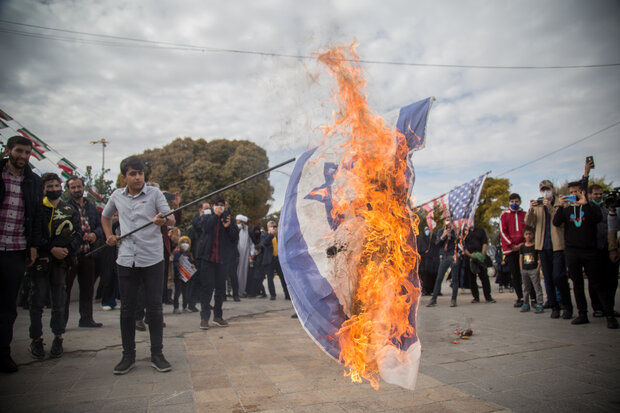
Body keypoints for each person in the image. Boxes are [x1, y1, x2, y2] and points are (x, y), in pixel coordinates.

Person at [102, 156, 175, 374]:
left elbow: (170, 219)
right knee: (127, 309)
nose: (138, 177)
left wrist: (164, 220)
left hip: (152, 259)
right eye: (133, 174)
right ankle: (128, 355)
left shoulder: (154, 194)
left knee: (154, 308)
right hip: (126, 259)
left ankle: (157, 354)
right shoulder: (116, 196)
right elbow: (105, 218)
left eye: (140, 173)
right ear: (124, 176)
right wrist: (109, 236)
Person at [0, 135, 43, 373]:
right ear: (8, 150)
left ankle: (3, 353)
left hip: (16, 249)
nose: (23, 157)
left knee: (8, 306)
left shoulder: (33, 182)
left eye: (27, 153)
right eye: (19, 151)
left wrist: (33, 245)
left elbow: (36, 217)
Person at [28, 173, 82, 360]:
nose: (53, 189)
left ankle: (58, 337)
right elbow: (33, 233)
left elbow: (77, 234)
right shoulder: (37, 207)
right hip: (40, 262)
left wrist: (67, 249)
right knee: (37, 300)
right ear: (43, 188)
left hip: (61, 263)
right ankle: (36, 339)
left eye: (55, 185)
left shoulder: (69, 209)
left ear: (61, 187)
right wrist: (51, 248)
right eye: (49, 186)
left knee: (60, 301)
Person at [553, 181, 617, 328]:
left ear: (582, 192)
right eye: (571, 192)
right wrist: (560, 206)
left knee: (598, 283)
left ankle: (609, 315)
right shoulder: (567, 209)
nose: (573, 194)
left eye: (576, 191)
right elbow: (556, 222)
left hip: (590, 250)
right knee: (577, 284)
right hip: (572, 251)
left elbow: (598, 218)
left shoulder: (591, 207)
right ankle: (582, 314)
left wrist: (586, 203)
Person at [525, 180, 572, 319]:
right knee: (548, 279)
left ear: (552, 189)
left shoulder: (560, 203)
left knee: (559, 276)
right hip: (543, 246)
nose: (546, 192)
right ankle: (554, 306)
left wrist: (550, 207)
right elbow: (529, 223)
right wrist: (531, 209)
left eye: (548, 189)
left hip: (557, 245)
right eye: (543, 189)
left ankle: (566, 305)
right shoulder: (538, 206)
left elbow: (560, 220)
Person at [192, 196, 239, 329]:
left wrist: (228, 226)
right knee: (207, 288)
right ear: (213, 206)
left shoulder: (229, 219)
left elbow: (235, 237)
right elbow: (205, 228)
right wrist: (215, 216)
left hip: (223, 260)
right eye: (217, 205)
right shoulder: (208, 217)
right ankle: (204, 317)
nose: (220, 207)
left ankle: (218, 316)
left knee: (220, 289)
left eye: (222, 205)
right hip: (208, 258)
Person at [65, 175, 103, 328]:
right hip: (71, 254)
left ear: (83, 188)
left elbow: (101, 226)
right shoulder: (65, 207)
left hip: (88, 253)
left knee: (87, 288)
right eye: (73, 187)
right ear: (68, 189)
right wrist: (80, 234)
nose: (76, 190)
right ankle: (61, 322)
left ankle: (86, 319)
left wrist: (95, 234)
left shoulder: (91, 207)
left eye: (78, 186)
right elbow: (63, 230)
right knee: (65, 289)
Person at [588, 184, 619, 318]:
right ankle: (597, 308)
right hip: (594, 249)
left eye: (600, 194)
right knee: (595, 281)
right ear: (590, 195)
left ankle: (609, 308)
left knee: (611, 280)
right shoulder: (588, 209)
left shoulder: (609, 208)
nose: (598, 196)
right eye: (595, 194)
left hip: (608, 248)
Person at [499, 193, 526, 307]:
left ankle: (533, 297)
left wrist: (523, 244)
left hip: (524, 248)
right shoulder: (504, 215)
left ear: (519, 202)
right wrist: (511, 244)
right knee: (515, 275)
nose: (514, 204)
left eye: (516, 201)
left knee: (528, 273)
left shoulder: (525, 214)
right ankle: (520, 297)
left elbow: (529, 229)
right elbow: (502, 231)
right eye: (512, 202)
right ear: (509, 203)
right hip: (510, 250)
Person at [427, 218, 459, 307]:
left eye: (450, 220)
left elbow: (460, 243)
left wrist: (453, 235)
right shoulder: (441, 231)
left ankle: (453, 299)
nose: (448, 222)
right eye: (447, 220)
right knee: (439, 278)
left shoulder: (456, 231)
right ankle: (433, 299)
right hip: (444, 257)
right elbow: (437, 244)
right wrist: (443, 236)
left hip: (453, 256)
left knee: (455, 279)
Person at [463, 223, 495, 303]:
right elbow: (463, 245)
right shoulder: (463, 232)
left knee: (484, 278)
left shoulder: (481, 231)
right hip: (469, 257)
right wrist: (470, 255)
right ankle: (476, 297)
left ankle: (488, 297)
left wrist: (482, 255)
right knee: (472, 279)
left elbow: (485, 243)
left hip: (480, 257)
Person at [261, 220, 289, 300]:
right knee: (270, 278)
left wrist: (277, 234)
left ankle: (287, 294)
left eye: (274, 226)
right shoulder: (265, 235)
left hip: (279, 259)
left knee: (283, 277)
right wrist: (271, 235)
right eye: (271, 226)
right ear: (268, 227)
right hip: (270, 259)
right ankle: (273, 294)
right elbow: (264, 243)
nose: (273, 228)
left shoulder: (279, 235)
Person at [519, 227, 544, 313]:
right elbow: (521, 258)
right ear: (524, 235)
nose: (528, 236)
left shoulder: (536, 246)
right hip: (525, 270)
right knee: (526, 288)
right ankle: (526, 304)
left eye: (530, 234)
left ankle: (540, 304)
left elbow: (540, 258)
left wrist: (538, 269)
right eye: (526, 234)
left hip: (534, 270)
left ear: (533, 235)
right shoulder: (522, 247)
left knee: (537, 287)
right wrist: (521, 269)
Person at [172, 235, 194, 314]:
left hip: (186, 276)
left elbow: (191, 262)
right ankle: (176, 307)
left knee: (186, 292)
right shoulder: (178, 253)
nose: (185, 244)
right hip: (179, 276)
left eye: (187, 242)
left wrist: (192, 265)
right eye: (183, 242)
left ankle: (185, 306)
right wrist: (178, 274)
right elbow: (175, 264)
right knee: (177, 292)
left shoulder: (188, 253)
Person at [236, 214, 253, 298]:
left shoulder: (249, 231)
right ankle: (237, 291)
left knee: (244, 273)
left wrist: (251, 254)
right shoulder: (238, 230)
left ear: (243, 222)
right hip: (238, 255)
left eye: (238, 222)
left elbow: (252, 243)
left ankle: (243, 291)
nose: (237, 223)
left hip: (246, 256)